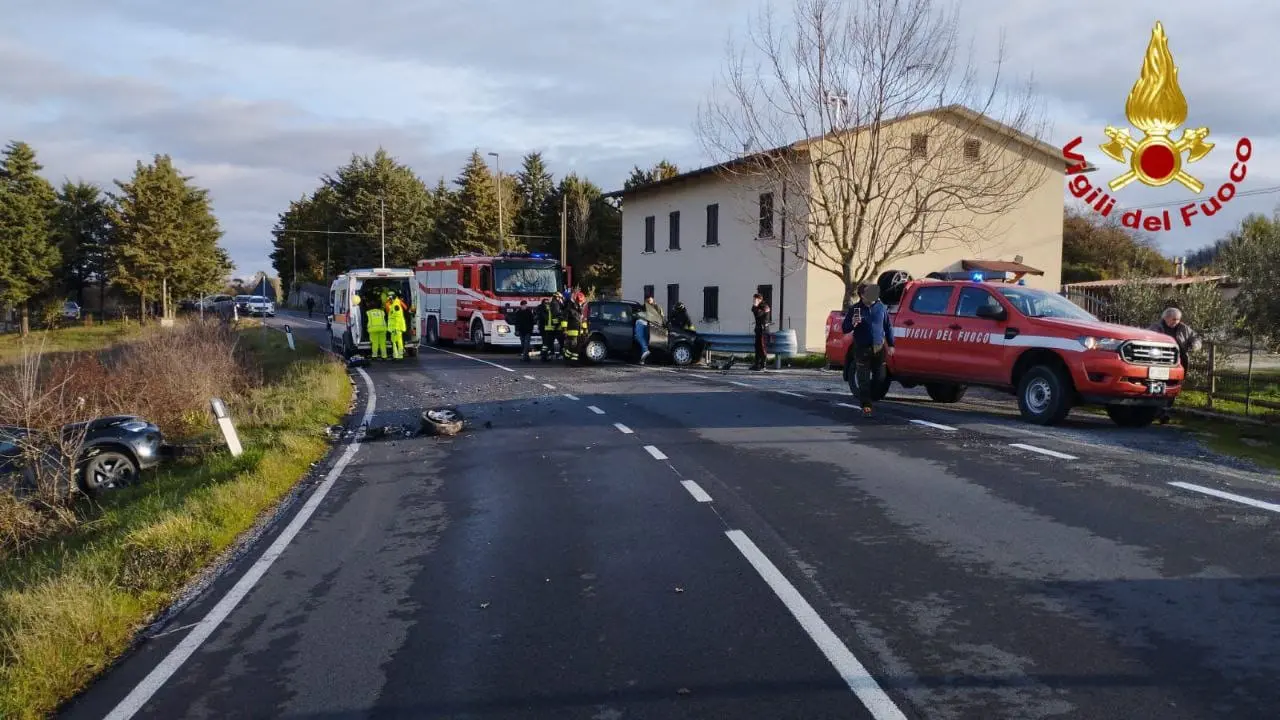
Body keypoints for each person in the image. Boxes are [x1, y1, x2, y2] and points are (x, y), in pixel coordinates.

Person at [841, 283, 895, 417]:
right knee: (863, 379)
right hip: (861, 348)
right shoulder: (855, 309)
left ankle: (870, 396)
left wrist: (891, 344)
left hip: (879, 347)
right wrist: (853, 323)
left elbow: (888, 327)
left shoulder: (881, 307)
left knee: (881, 378)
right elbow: (845, 328)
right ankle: (866, 406)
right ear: (862, 295)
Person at [1149, 306, 1202, 424]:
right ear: (1166, 318)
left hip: (1178, 363)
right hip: (1160, 363)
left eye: (1178, 319)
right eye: (1173, 319)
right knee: (1158, 386)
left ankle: (1165, 412)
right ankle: (1157, 412)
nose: (1176, 322)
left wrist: (1195, 345)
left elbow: (1196, 338)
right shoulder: (1156, 328)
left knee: (1173, 387)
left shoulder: (1184, 328)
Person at [636, 295, 665, 363]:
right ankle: (643, 359)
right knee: (644, 339)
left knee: (641, 337)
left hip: (653, 326)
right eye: (647, 301)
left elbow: (660, 317)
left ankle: (645, 354)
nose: (648, 302)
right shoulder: (644, 306)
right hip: (649, 325)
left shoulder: (656, 307)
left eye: (649, 301)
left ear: (652, 300)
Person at [562, 291, 586, 361]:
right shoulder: (570, 309)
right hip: (572, 331)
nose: (581, 303)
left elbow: (583, 320)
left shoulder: (580, 310)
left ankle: (572, 359)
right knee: (573, 346)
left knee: (576, 347)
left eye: (582, 302)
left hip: (579, 332)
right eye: (580, 301)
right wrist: (564, 329)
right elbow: (564, 320)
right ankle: (569, 358)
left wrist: (585, 330)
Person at [750, 293, 771, 370]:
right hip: (758, 330)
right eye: (754, 299)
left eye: (755, 299)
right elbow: (753, 310)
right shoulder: (758, 306)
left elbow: (758, 314)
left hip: (763, 330)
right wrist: (755, 305)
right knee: (757, 347)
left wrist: (755, 305)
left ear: (759, 299)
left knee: (762, 347)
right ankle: (757, 364)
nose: (754, 301)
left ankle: (763, 365)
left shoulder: (765, 306)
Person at [385, 292, 408, 359]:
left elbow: (392, 315)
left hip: (395, 328)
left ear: (391, 298)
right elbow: (406, 308)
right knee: (399, 341)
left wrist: (387, 304)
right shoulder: (398, 302)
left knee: (394, 342)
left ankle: (396, 356)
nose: (388, 300)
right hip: (398, 327)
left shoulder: (394, 306)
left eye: (389, 298)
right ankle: (400, 355)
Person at [540, 296, 564, 361]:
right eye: (560, 298)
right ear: (558, 298)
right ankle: (560, 355)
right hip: (556, 328)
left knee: (547, 344)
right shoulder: (556, 304)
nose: (561, 299)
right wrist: (561, 318)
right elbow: (556, 316)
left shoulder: (549, 305)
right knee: (562, 343)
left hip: (548, 328)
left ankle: (545, 356)